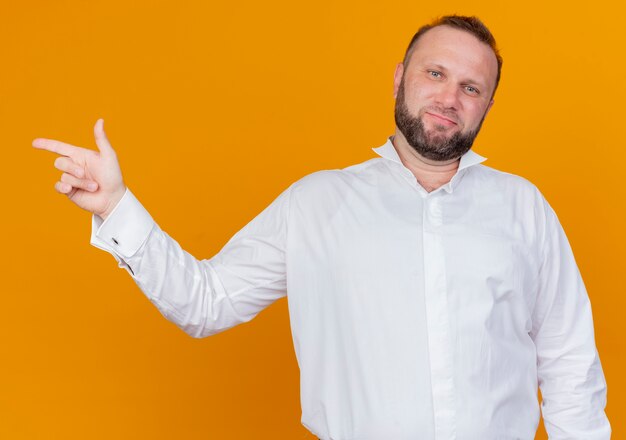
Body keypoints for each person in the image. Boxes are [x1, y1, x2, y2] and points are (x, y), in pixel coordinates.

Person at [33, 15, 611, 440]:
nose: (449, 98)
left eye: (471, 87)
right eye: (436, 73)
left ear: (486, 106)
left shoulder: (523, 208)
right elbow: (205, 303)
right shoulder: (317, 205)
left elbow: (568, 362)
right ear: (399, 77)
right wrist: (115, 207)